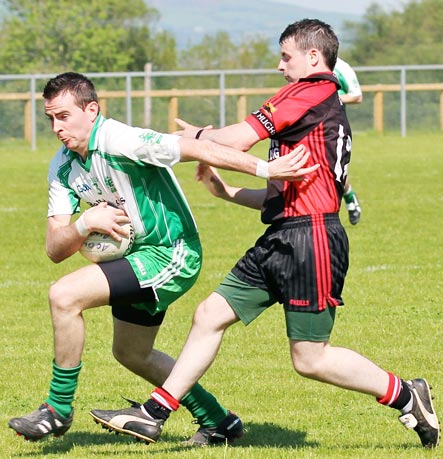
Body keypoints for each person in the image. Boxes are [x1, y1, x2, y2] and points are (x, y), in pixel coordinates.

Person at [89, 19, 440, 449]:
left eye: (286, 56)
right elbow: (281, 196)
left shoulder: (310, 91)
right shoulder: (316, 111)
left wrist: (188, 138)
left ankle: (407, 394)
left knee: (310, 358)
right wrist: (227, 191)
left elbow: (237, 139)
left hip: (309, 242)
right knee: (209, 315)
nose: (280, 65)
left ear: (313, 57)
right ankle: (154, 413)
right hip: (285, 236)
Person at [7, 72, 316, 446]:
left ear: (92, 110)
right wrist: (86, 223)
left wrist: (266, 169)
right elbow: (55, 248)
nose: (56, 127)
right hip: (136, 257)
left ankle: (56, 409)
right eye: (50, 118)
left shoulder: (121, 139)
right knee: (131, 352)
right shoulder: (62, 166)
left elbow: (195, 149)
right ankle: (220, 422)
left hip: (172, 253)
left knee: (64, 295)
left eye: (64, 116)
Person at [333, 57, 363, 225]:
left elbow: (357, 96)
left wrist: (330, 97)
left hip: (334, 126)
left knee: (334, 170)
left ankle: (350, 198)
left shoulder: (341, 67)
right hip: (307, 125)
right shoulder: (303, 63)